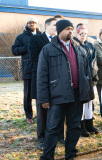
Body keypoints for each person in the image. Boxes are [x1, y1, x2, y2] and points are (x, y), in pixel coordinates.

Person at [37, 19, 94, 160]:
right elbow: (42, 76)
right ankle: (47, 157)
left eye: (71, 28)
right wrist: (44, 99)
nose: (70, 31)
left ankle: (70, 155)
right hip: (57, 96)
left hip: (76, 95)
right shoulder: (48, 49)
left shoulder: (79, 49)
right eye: (67, 28)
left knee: (74, 127)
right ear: (59, 31)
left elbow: (87, 73)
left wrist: (88, 94)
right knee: (53, 128)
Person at [29, 17, 65, 150]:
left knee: (59, 109)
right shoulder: (36, 39)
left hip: (58, 82)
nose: (57, 28)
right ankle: (42, 138)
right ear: (46, 26)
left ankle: (60, 136)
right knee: (43, 112)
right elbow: (34, 57)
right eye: (55, 25)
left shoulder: (60, 41)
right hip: (42, 80)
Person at [12, 16, 41, 124]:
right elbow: (14, 50)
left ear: (37, 24)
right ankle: (29, 115)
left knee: (40, 92)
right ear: (27, 24)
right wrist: (25, 48)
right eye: (30, 22)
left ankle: (40, 114)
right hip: (28, 69)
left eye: (34, 22)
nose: (32, 24)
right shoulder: (21, 37)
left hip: (40, 69)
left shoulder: (41, 36)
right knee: (28, 94)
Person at [73, 23, 99, 137]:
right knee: (82, 103)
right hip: (81, 78)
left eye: (85, 34)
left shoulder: (90, 45)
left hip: (90, 78)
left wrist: (94, 74)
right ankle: (82, 126)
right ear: (76, 33)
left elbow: (93, 61)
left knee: (89, 102)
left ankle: (89, 124)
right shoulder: (74, 45)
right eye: (81, 33)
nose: (83, 35)